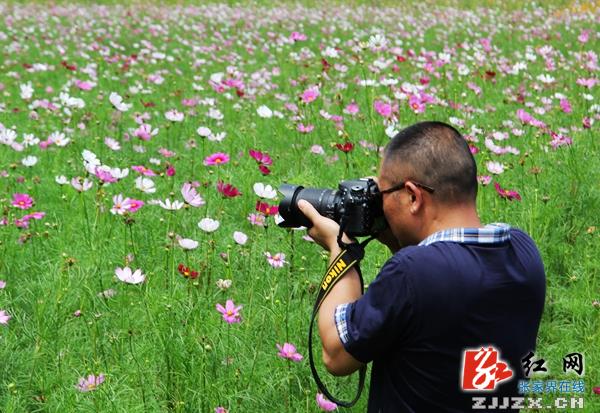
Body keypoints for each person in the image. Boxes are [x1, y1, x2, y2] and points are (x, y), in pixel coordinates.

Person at [297, 121, 546, 412]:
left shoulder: (411, 273)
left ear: (413, 196)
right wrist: (396, 239)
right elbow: (440, 299)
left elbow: (337, 354)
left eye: (384, 195)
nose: (382, 206)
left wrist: (341, 249)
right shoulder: (523, 251)